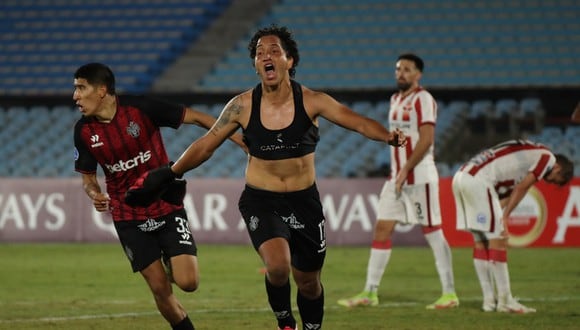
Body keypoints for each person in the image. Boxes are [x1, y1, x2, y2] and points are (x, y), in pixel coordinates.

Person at [125, 24, 405, 330]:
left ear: (289, 61)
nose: (266, 56)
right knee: (278, 266)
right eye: (260, 53)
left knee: (309, 282)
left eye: (274, 51)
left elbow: (358, 123)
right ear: (256, 65)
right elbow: (206, 145)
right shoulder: (242, 106)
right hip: (261, 200)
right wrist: (169, 173)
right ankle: (285, 321)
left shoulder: (313, 101)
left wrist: (387, 136)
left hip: (304, 201)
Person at [73, 62, 245, 330]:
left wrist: (239, 141)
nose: (76, 96)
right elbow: (87, 178)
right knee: (160, 289)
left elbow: (199, 117)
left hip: (165, 203)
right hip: (127, 214)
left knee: (188, 282)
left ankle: (171, 261)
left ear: (102, 90)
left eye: (81, 88)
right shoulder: (83, 132)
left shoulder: (140, 108)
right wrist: (95, 193)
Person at [338, 53, 459, 310]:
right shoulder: (395, 100)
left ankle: (450, 294)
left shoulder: (423, 99)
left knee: (433, 232)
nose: (400, 73)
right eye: (397, 69)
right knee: (382, 229)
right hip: (396, 178)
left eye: (406, 69)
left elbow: (426, 139)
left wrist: (406, 169)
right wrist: (399, 172)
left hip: (420, 177)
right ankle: (370, 292)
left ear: (418, 74)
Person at [452, 139, 573, 313]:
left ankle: (489, 301)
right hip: (479, 180)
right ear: (558, 168)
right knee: (498, 239)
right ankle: (505, 301)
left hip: (461, 176)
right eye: (556, 180)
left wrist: (498, 215)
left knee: (481, 240)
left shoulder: (525, 159)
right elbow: (522, 188)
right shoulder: (548, 158)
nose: (550, 182)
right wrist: (504, 219)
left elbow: (506, 197)